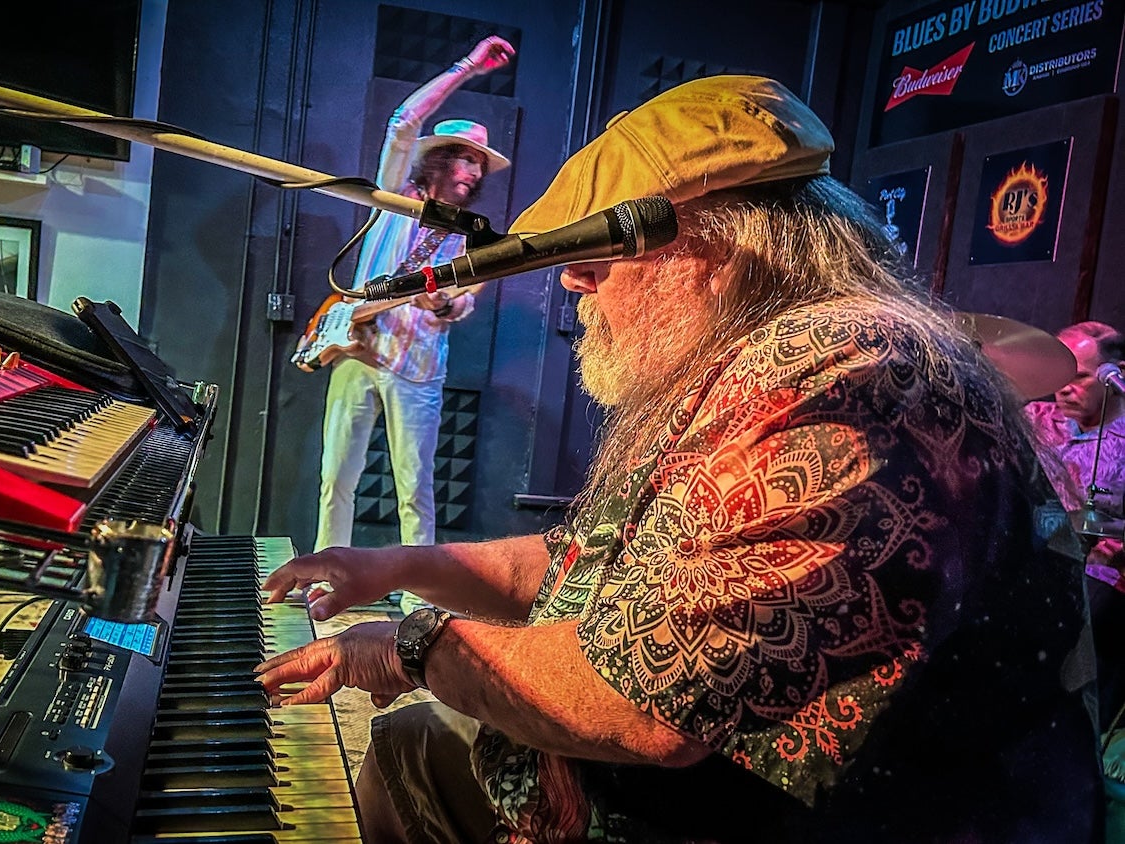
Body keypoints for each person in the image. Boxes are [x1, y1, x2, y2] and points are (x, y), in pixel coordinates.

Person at [259, 75, 1102, 842]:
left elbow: (647, 704)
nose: (574, 284)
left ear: (711, 247)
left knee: (408, 750)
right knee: (412, 744)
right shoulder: (775, 357)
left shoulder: (848, 375)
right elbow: (599, 562)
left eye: (593, 257)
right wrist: (403, 564)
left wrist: (408, 647)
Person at [314, 36, 514, 563]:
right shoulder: (393, 197)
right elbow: (404, 121)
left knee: (415, 488)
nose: (473, 172)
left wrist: (446, 306)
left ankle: (415, 594)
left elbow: (467, 300)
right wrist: (469, 66)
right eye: (465, 160)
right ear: (438, 162)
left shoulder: (474, 236)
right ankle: (325, 571)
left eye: (479, 164)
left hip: (420, 365)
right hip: (359, 352)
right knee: (337, 476)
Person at [1027, 320, 1125, 734]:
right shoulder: (1032, 417)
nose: (1063, 387)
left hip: (1097, 590)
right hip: (1029, 568)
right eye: (1058, 375)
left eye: (1080, 376)